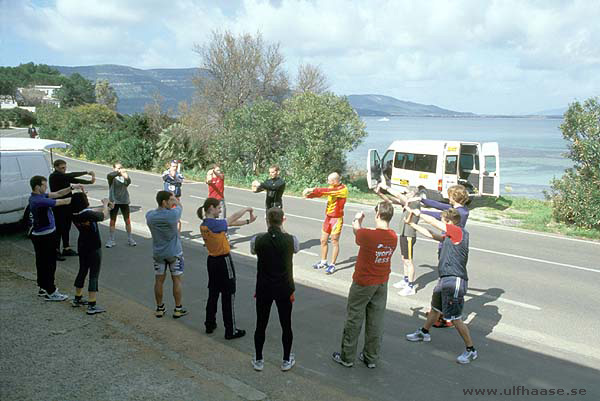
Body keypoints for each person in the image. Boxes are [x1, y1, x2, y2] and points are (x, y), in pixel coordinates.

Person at [405, 208, 478, 364]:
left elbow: (433, 222)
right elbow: (431, 234)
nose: (440, 221)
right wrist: (412, 224)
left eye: (442, 219)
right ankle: (424, 332)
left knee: (456, 318)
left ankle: (471, 350)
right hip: (444, 279)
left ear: (448, 221)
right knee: (435, 309)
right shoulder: (449, 236)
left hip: (455, 280)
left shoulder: (458, 232)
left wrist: (417, 212)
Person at [331, 201, 397, 369]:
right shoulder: (393, 236)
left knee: (354, 318)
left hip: (363, 283)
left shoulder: (368, 235)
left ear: (377, 215)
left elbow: (356, 230)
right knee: (376, 321)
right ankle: (371, 357)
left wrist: (357, 218)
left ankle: (347, 357)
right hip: (381, 282)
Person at [198, 198, 256, 339]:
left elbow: (229, 223)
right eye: (218, 208)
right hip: (223, 261)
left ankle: (209, 324)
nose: (220, 210)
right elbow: (232, 218)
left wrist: (248, 222)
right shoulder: (213, 224)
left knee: (213, 293)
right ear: (211, 208)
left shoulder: (206, 224)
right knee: (228, 295)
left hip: (211, 260)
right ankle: (231, 330)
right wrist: (246, 209)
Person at [250, 207, 299, 372]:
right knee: (286, 325)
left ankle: (258, 359)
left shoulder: (257, 240)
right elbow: (296, 249)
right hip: (284, 288)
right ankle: (286, 359)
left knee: (261, 324)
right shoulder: (291, 240)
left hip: (264, 287)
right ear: (282, 220)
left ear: (267, 220)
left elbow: (253, 251)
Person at [420, 184, 469, 327]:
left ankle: (445, 317)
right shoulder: (460, 209)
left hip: (449, 246)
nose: (448, 197)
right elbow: (439, 206)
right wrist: (424, 202)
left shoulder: (460, 213)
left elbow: (439, 215)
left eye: (449, 195)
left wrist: (420, 212)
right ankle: (438, 313)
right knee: (443, 282)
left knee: (446, 280)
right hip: (446, 243)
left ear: (454, 196)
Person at [28, 176, 82, 301]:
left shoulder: (39, 197)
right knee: (49, 264)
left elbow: (58, 194)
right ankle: (51, 292)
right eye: (44, 185)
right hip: (45, 236)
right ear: (37, 186)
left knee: (41, 263)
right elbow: (61, 202)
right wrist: (78, 197)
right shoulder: (38, 200)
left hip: (41, 235)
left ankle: (43, 288)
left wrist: (72, 187)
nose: (46, 187)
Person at [146, 191, 188, 319]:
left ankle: (159, 308)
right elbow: (180, 206)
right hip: (174, 252)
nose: (172, 202)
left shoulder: (150, 216)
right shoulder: (173, 215)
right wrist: (176, 200)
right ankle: (178, 309)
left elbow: (153, 214)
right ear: (164, 202)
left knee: (159, 281)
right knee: (177, 280)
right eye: (170, 200)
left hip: (158, 253)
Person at [375, 183, 421, 296]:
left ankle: (410, 286)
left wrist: (386, 187)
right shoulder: (408, 202)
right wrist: (380, 193)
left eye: (407, 192)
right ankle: (405, 280)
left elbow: (399, 195)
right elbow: (390, 201)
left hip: (409, 235)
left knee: (408, 261)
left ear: (412, 193)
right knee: (404, 259)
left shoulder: (415, 203)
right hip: (403, 234)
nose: (405, 194)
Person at [70, 191, 110, 315]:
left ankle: (77, 298)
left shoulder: (75, 214)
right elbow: (103, 216)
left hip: (82, 245)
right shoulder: (87, 214)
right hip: (93, 246)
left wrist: (105, 206)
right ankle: (92, 304)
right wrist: (105, 205)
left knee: (82, 270)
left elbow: (92, 211)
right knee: (94, 274)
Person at [302, 172, 349, 275]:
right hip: (328, 218)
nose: (328, 182)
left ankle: (332, 264)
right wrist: (310, 196)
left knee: (334, 241)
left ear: (335, 181)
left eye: (329, 180)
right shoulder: (332, 187)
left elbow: (327, 191)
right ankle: (323, 261)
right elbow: (323, 193)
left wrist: (312, 189)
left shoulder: (342, 189)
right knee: (323, 240)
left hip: (336, 219)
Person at [49, 159, 95, 260]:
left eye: (65, 167)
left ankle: (66, 248)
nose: (64, 169)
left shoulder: (63, 176)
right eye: (62, 168)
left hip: (67, 205)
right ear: (56, 167)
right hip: (59, 206)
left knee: (66, 227)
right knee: (59, 229)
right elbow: (71, 175)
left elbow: (74, 180)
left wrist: (89, 182)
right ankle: (56, 251)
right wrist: (86, 172)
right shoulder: (55, 176)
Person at [106, 162, 135, 248]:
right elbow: (110, 176)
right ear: (114, 169)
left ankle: (130, 238)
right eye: (117, 168)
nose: (119, 169)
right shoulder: (111, 177)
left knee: (127, 220)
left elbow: (128, 181)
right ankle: (111, 239)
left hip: (124, 201)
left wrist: (125, 175)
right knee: (112, 220)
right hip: (114, 201)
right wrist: (120, 172)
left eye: (120, 168)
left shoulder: (123, 177)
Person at [162, 160, 184, 231]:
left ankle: (177, 234)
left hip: (175, 198)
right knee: (165, 216)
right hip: (167, 198)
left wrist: (174, 176)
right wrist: (172, 176)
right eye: (173, 166)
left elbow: (180, 180)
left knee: (176, 217)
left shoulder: (179, 174)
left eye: (176, 166)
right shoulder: (165, 173)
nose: (175, 168)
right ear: (170, 166)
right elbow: (166, 178)